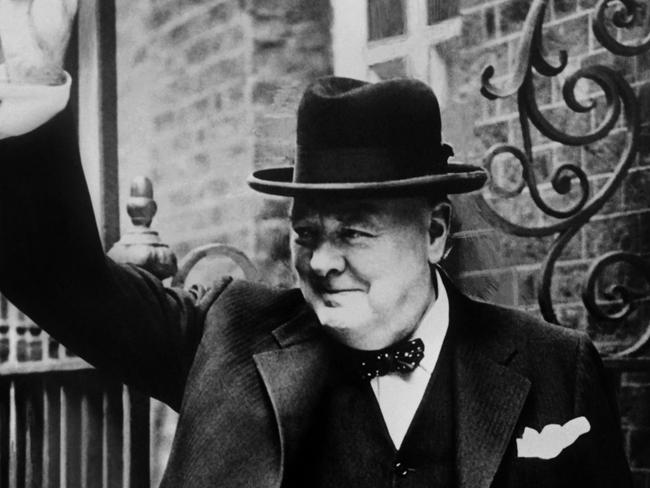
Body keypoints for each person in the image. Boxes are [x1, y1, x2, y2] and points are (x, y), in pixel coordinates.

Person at [0, 1, 632, 486]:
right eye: (306, 233)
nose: (322, 262)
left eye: (354, 231)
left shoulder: (556, 369)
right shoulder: (226, 339)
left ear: (435, 232)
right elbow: (61, 278)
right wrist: (28, 89)